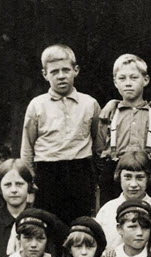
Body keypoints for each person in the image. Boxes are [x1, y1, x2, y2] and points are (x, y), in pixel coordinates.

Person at [20, 44, 101, 225]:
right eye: (54, 71)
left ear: (76, 70)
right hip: (47, 174)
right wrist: (29, 180)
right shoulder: (37, 105)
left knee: (80, 225)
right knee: (48, 225)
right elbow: (27, 146)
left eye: (66, 70)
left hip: (80, 172)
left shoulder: (90, 104)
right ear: (45, 74)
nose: (61, 76)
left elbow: (98, 144)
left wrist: (94, 177)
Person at [96, 54, 151, 205]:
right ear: (115, 82)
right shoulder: (109, 114)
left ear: (146, 80)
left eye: (134, 78)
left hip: (145, 174)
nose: (128, 83)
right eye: (122, 78)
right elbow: (99, 148)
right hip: (115, 173)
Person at [95, 151, 151, 251]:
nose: (133, 184)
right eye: (128, 177)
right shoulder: (107, 210)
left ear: (148, 178)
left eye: (139, 177)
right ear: (119, 176)